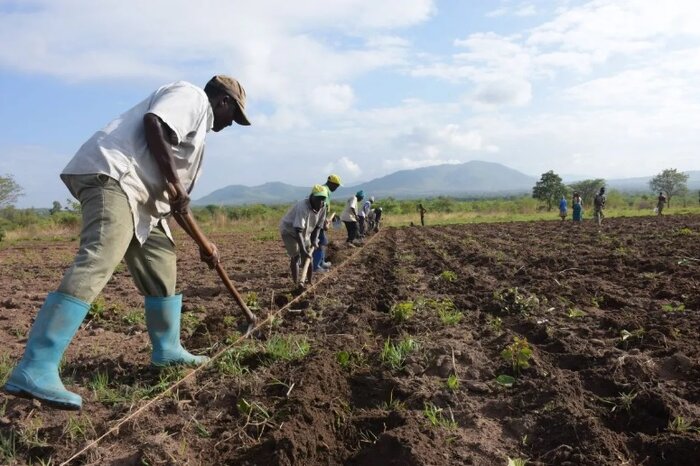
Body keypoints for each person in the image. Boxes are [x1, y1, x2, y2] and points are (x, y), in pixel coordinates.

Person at [3, 75, 251, 410]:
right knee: (100, 257)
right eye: (233, 116)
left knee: (162, 264)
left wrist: (205, 243)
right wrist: (176, 185)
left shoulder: (197, 137)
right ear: (222, 101)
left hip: (145, 200)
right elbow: (155, 124)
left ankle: (167, 349)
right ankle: (36, 366)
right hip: (116, 175)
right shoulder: (192, 98)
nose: (230, 124)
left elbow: (177, 203)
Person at [279, 185, 327, 286]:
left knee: (309, 258)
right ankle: (296, 283)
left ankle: (309, 281)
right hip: (289, 231)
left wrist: (314, 240)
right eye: (318, 199)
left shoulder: (323, 207)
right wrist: (303, 250)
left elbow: (318, 226)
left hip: (304, 232)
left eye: (323, 199)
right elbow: (298, 230)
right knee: (296, 256)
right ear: (312, 196)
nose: (320, 202)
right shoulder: (303, 206)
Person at [312, 174, 342, 273]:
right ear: (331, 183)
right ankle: (316, 266)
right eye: (336, 186)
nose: (337, 188)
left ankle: (321, 262)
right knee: (321, 242)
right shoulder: (324, 190)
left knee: (323, 242)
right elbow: (319, 207)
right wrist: (323, 222)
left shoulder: (326, 191)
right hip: (318, 222)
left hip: (321, 220)